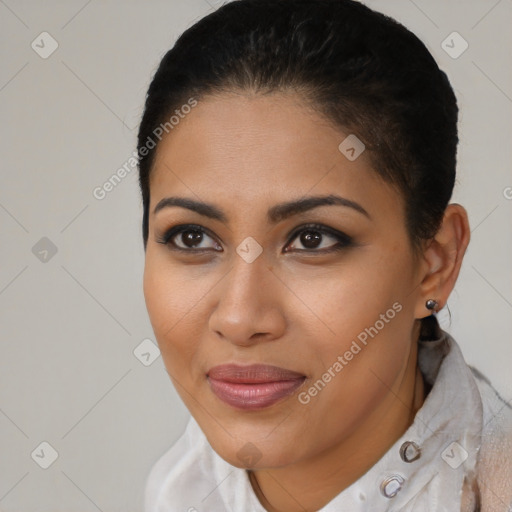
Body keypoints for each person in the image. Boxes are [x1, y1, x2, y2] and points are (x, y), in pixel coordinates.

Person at [137, 0, 512, 510]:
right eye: (192, 238)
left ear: (435, 262)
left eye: (312, 239)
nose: (241, 318)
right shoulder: (179, 487)